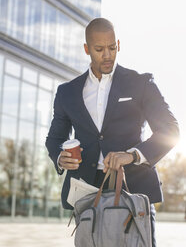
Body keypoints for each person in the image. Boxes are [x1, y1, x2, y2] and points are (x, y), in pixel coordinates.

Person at [45, 18, 179, 246]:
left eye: (112, 47)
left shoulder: (141, 83)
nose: (107, 55)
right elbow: (55, 138)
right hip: (87, 192)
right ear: (87, 49)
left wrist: (133, 154)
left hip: (133, 188)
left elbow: (170, 129)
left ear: (118, 44)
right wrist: (60, 156)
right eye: (99, 49)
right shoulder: (67, 92)